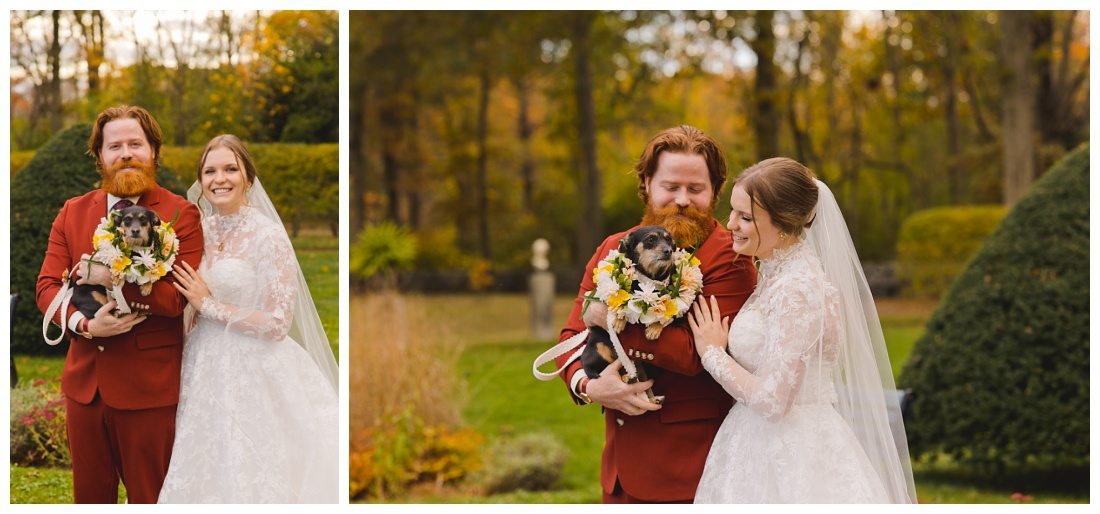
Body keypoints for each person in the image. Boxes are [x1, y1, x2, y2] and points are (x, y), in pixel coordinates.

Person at [688, 157, 917, 503]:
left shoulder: (797, 288)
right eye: (733, 211)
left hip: (794, 454)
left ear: (782, 225)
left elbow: (773, 399)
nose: (730, 223)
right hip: (756, 443)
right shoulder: (776, 275)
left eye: (745, 217)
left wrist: (712, 354)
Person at [556, 125, 757, 503]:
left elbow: (694, 355)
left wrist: (606, 320)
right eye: (670, 186)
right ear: (647, 183)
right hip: (618, 471)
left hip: (690, 471)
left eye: (695, 189)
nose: (682, 200)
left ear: (714, 191)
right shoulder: (612, 248)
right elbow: (571, 338)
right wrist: (589, 385)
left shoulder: (731, 260)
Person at [36, 105, 204, 503]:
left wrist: (112, 282)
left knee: (151, 498)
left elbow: (174, 299)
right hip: (85, 388)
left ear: (153, 152)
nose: (126, 153)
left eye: (135, 144)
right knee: (90, 500)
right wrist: (85, 325)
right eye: (115, 146)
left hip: (149, 388)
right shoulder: (73, 211)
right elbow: (46, 286)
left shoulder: (182, 214)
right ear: (100, 155)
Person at [158, 135, 339, 503]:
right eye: (210, 171)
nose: (219, 178)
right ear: (200, 181)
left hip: (254, 367)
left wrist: (208, 305)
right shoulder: (198, 231)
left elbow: (276, 322)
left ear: (248, 179)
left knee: (250, 464)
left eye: (229, 169)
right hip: (200, 360)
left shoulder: (267, 236)